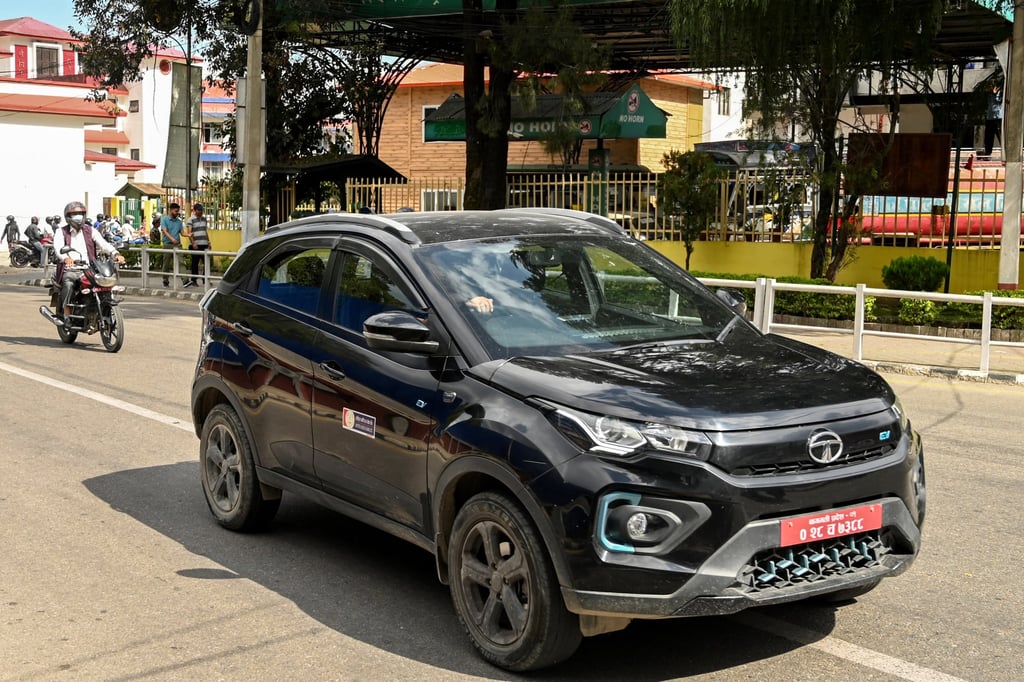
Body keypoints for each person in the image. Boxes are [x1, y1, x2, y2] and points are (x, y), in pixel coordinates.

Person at [52, 201, 124, 325]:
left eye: (81, 214)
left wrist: (115, 254)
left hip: (90, 268)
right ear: (68, 217)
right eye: (75, 215)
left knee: (105, 282)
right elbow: (58, 248)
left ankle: (100, 308)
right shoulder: (61, 231)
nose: (78, 217)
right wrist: (66, 258)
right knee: (68, 282)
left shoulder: (90, 230)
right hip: (71, 268)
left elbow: (104, 244)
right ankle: (67, 313)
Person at [184, 202, 210, 287]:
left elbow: (205, 231)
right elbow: (189, 232)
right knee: (195, 263)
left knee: (206, 262)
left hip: (204, 244)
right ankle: (194, 280)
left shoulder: (204, 219)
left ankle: (205, 279)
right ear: (195, 211)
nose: (201, 212)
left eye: (201, 210)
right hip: (195, 244)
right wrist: (193, 242)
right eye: (199, 210)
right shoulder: (191, 220)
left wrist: (209, 242)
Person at [159, 202, 185, 287]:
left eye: (178, 211)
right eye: (176, 211)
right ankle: (165, 280)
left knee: (181, 261)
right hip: (167, 244)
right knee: (166, 263)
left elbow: (182, 233)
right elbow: (165, 231)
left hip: (177, 244)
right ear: (170, 210)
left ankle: (185, 280)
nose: (177, 213)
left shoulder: (179, 222)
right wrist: (172, 239)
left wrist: (189, 235)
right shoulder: (164, 220)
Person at [983, 84, 1003, 159]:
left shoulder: (1000, 93)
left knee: (1000, 136)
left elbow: (999, 102)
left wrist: (995, 94)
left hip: (997, 118)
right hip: (989, 118)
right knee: (988, 137)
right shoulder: (988, 95)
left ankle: (1006, 154)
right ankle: (987, 153)